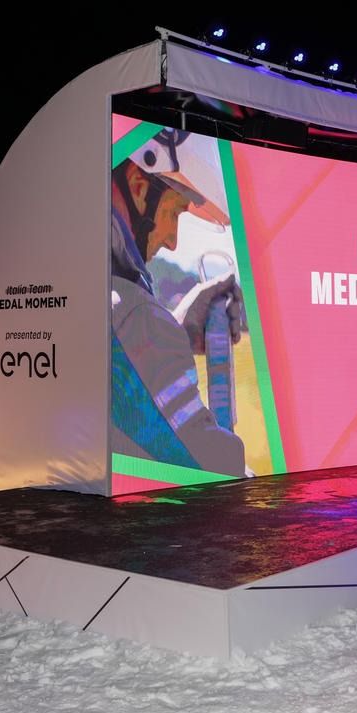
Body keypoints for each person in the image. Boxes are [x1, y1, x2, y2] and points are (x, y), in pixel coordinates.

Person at [110, 127, 246, 476]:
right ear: (139, 188)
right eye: (175, 213)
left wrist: (175, 328)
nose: (172, 242)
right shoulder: (132, 315)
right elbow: (215, 470)